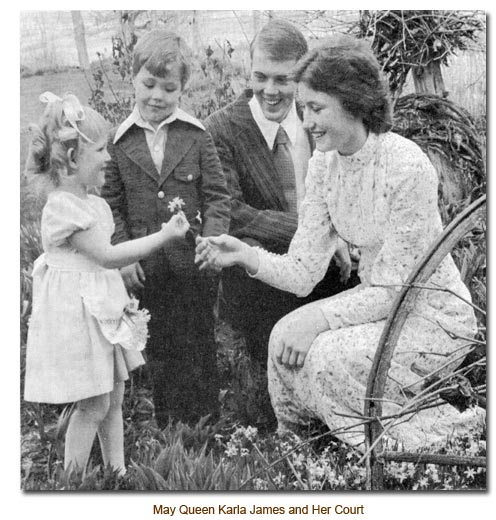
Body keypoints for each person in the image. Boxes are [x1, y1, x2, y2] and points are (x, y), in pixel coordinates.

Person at [196, 36, 484, 450]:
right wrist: (246, 255)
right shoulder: (324, 164)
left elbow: (395, 289)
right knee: (282, 338)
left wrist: (314, 320)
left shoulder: (406, 165)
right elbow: (302, 272)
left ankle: (432, 439)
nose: (306, 122)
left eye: (316, 108)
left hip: (429, 315)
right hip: (377, 305)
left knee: (326, 358)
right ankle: (310, 447)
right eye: (304, 108)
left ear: (352, 102)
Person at [23, 92, 190, 475]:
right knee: (93, 404)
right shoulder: (63, 208)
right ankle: (72, 483)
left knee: (113, 397)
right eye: (99, 149)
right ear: (71, 158)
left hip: (98, 312)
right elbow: (108, 256)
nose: (107, 157)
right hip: (77, 320)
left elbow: (104, 263)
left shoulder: (92, 204)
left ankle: (118, 473)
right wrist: (163, 236)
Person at [205, 19, 356, 367]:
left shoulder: (320, 119)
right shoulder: (220, 129)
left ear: (302, 78)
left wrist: (347, 235)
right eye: (260, 77)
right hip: (261, 281)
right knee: (285, 366)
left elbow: (347, 184)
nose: (269, 90)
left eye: (282, 79)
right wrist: (321, 236)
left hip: (330, 265)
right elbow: (233, 212)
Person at [101, 30, 231, 428]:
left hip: (193, 264)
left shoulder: (195, 135)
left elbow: (217, 196)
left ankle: (206, 420)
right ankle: (170, 424)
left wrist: (210, 242)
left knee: (199, 341)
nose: (157, 96)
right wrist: (123, 256)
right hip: (148, 267)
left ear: (182, 89)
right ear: (132, 79)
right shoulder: (119, 142)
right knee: (160, 345)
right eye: (148, 84)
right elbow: (111, 205)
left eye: (169, 88)